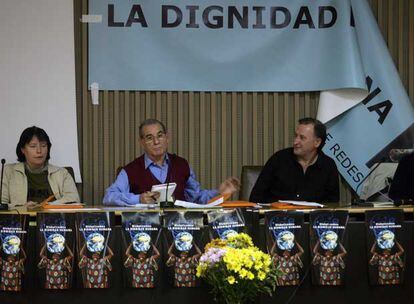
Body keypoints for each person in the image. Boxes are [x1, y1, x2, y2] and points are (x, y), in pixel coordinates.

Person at [103, 119, 239, 206]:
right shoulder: (130, 170)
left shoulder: (182, 165)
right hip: (145, 231)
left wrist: (220, 192)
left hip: (181, 229)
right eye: (149, 138)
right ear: (142, 142)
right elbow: (109, 196)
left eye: (160, 136)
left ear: (167, 138)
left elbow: (196, 198)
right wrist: (139, 199)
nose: (156, 142)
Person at [249, 118, 339, 204]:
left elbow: (333, 205)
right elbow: (255, 198)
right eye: (296, 136)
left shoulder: (328, 166)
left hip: (311, 219)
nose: (295, 141)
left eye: (302, 138)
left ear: (317, 142)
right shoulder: (278, 159)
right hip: (278, 217)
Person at [1, 126, 80, 208]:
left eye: (43, 145)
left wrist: (46, 206)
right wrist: (23, 208)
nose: (39, 151)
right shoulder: (8, 172)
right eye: (33, 146)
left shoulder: (62, 173)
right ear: (23, 150)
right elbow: (2, 205)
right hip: (22, 219)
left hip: (53, 219)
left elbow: (74, 199)